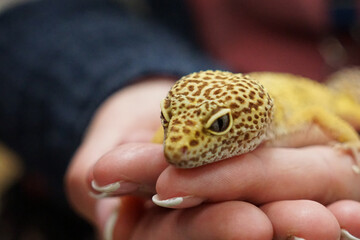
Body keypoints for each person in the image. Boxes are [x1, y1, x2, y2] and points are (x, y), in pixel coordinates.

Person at [0, 0, 359, 239]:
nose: (176, 147)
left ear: (257, 122)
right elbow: (32, 17)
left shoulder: (287, 120)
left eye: (219, 126)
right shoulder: (177, 135)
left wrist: (351, 143)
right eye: (169, 120)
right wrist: (124, 85)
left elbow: (319, 113)